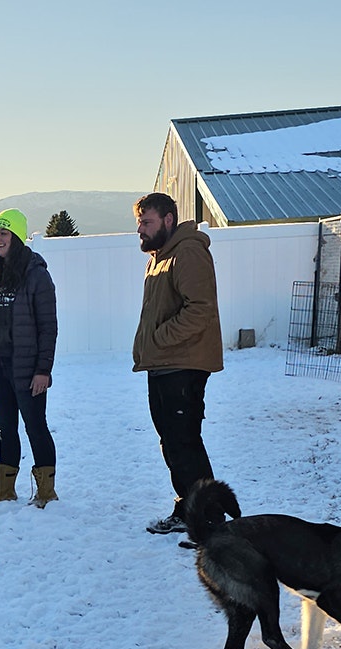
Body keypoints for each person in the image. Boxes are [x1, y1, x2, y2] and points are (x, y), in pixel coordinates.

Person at [132, 192, 223, 535]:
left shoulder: (187, 252)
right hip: (163, 364)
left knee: (184, 441)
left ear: (168, 220)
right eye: (139, 222)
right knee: (172, 441)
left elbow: (200, 308)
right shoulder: (159, 257)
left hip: (182, 365)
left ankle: (208, 518)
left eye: (147, 222)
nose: (140, 229)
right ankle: (189, 508)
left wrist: (158, 339)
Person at [0, 208, 59, 508]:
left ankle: (46, 491)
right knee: (5, 428)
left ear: (18, 237)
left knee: (35, 426)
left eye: (4, 233)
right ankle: (4, 490)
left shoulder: (36, 275)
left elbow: (48, 327)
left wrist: (43, 371)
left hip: (27, 367)